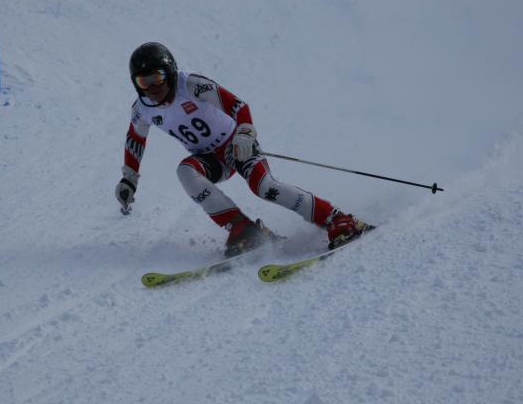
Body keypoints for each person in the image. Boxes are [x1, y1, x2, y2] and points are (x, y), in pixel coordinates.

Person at [116, 42, 369, 257]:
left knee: (264, 187)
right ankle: (243, 230)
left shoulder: (191, 84)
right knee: (185, 171)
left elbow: (237, 105)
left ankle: (337, 218)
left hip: (236, 146)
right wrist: (129, 179)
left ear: (170, 73)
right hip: (209, 159)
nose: (152, 87)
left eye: (157, 77)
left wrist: (245, 133)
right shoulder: (142, 109)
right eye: (143, 81)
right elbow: (135, 139)